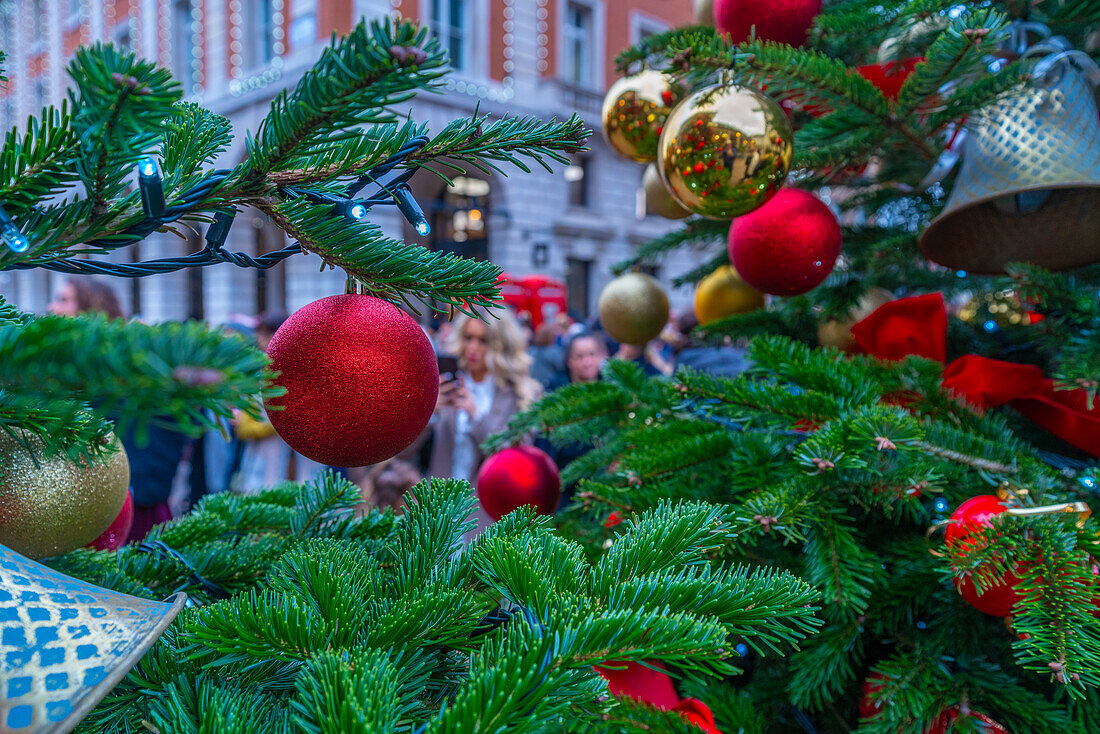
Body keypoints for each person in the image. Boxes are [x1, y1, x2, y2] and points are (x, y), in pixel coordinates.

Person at [48, 277, 190, 543]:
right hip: (82, 508)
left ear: (91, 309)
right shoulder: (64, 368)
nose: (52, 307)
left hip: (128, 508)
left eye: (63, 300)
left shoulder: (119, 368)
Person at [428, 311, 541, 536]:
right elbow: (407, 453)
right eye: (468, 338)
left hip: (485, 515)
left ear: (500, 345)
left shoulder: (521, 394)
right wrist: (428, 412)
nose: (473, 347)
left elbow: (511, 460)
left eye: (483, 340)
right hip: (440, 508)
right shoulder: (449, 385)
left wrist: (475, 415)